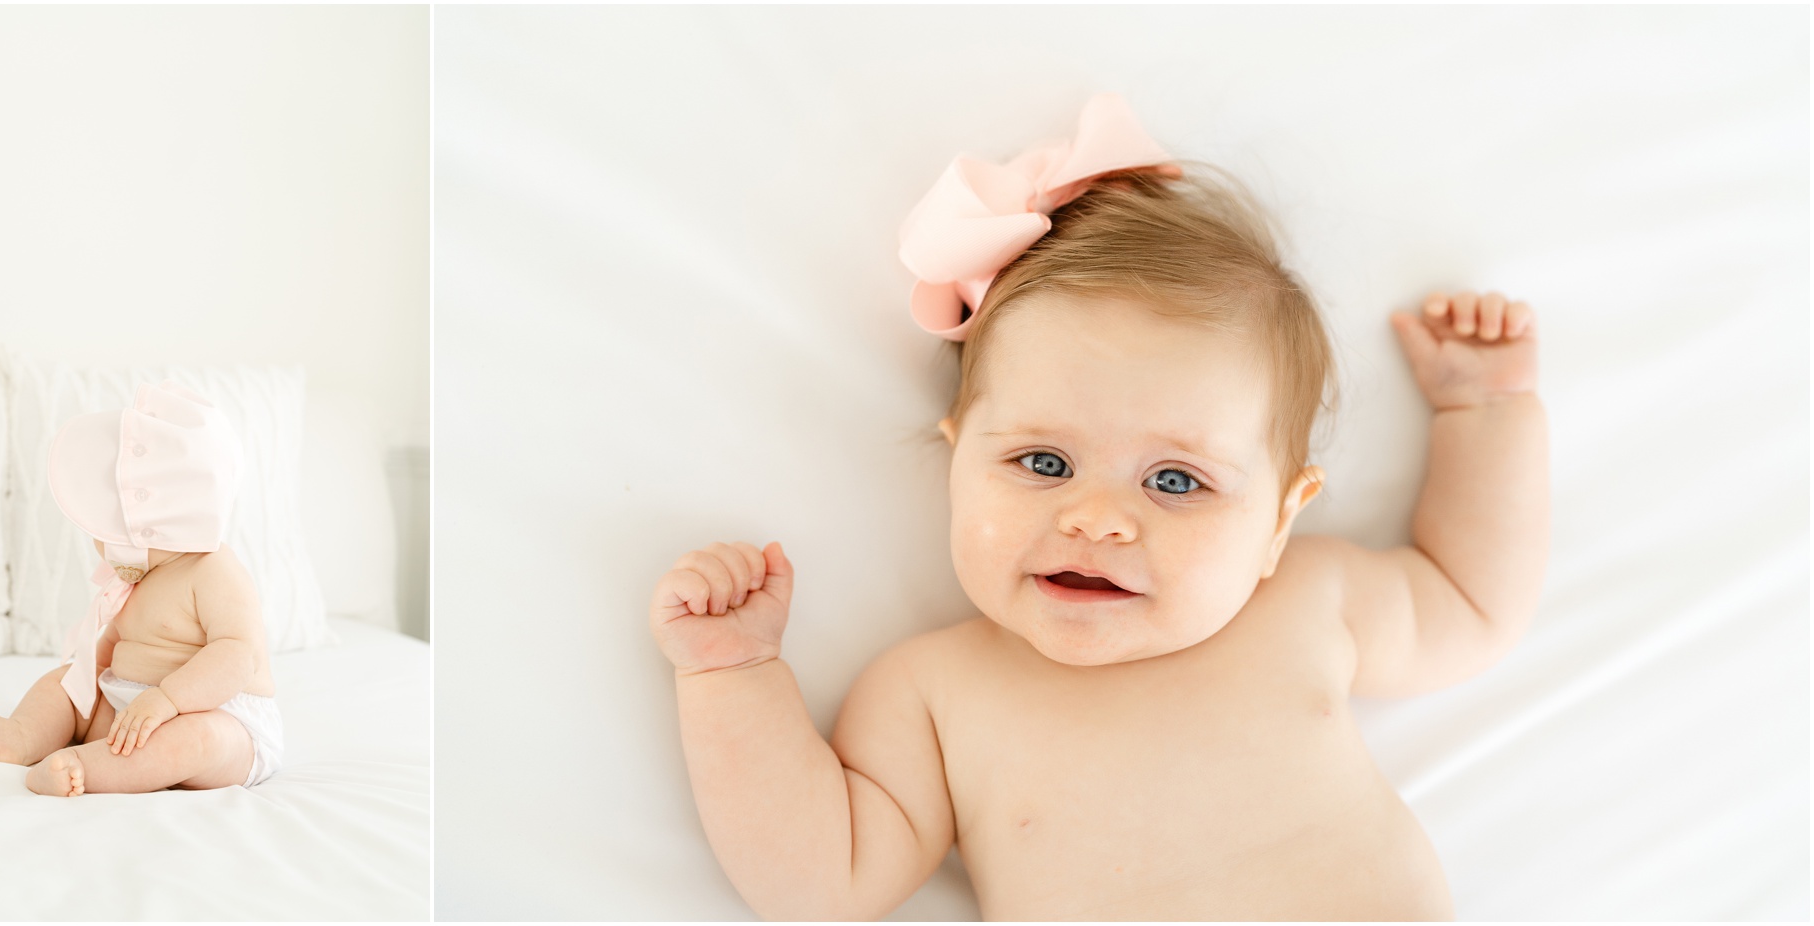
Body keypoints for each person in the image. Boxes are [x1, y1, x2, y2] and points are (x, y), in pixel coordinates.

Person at [648, 94, 1547, 919]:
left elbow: (1471, 601)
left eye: (1175, 481)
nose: (1100, 521)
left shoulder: (1309, 606)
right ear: (960, 460)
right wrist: (733, 676)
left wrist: (1487, 414)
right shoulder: (934, 693)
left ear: (1279, 519)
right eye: (1044, 462)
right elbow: (823, 883)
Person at [0, 381, 286, 796]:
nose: (100, 545)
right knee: (67, 684)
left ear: (159, 520)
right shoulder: (140, 575)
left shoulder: (212, 569)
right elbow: (110, 647)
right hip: (132, 707)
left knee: (193, 740)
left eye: (109, 530)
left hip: (220, 716)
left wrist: (169, 700)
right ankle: (19, 737)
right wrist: (84, 683)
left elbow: (238, 657)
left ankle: (83, 768)